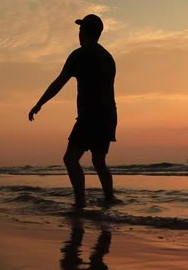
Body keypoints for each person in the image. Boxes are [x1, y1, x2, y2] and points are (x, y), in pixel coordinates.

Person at [28, 14, 120, 208]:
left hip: (90, 116)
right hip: (109, 115)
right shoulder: (108, 57)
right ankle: (109, 199)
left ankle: (80, 202)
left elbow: (59, 83)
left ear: (84, 32)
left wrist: (39, 104)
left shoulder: (79, 55)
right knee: (99, 160)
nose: (78, 33)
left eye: (80, 29)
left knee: (70, 159)